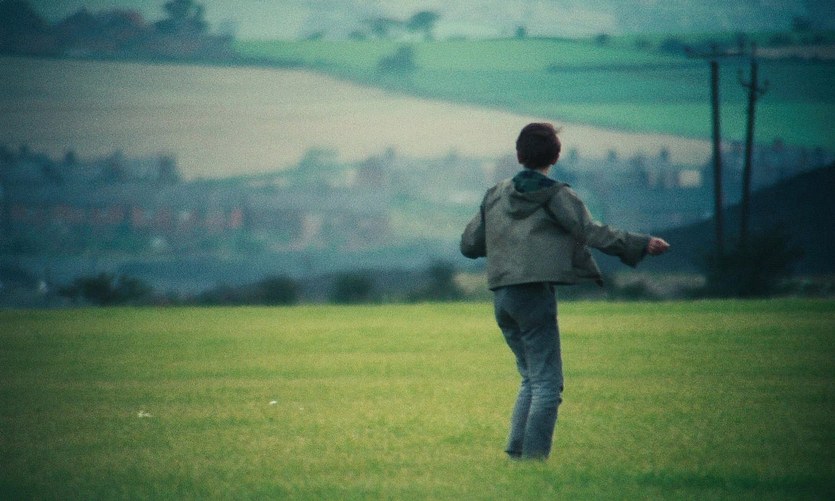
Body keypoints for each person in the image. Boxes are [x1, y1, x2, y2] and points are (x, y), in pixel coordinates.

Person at [460, 122, 670, 460]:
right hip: (534, 293)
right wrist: (641, 243)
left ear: (519, 155)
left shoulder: (495, 194)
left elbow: (469, 245)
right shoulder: (556, 194)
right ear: (555, 157)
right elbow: (591, 231)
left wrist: (506, 241)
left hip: (502, 295)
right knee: (547, 384)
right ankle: (534, 462)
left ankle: (517, 457)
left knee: (530, 378)